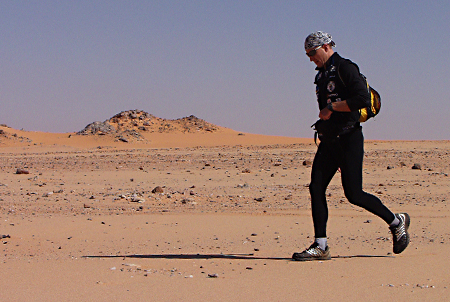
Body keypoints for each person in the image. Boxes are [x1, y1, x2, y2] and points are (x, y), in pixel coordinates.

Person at [292, 31, 410, 261]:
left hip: (349, 139)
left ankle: (396, 222)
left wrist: (332, 108)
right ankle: (320, 245)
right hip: (329, 141)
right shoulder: (321, 75)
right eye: (306, 55)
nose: (310, 58)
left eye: (312, 53)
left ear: (326, 47)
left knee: (354, 194)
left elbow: (361, 100)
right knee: (316, 187)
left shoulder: (346, 68)